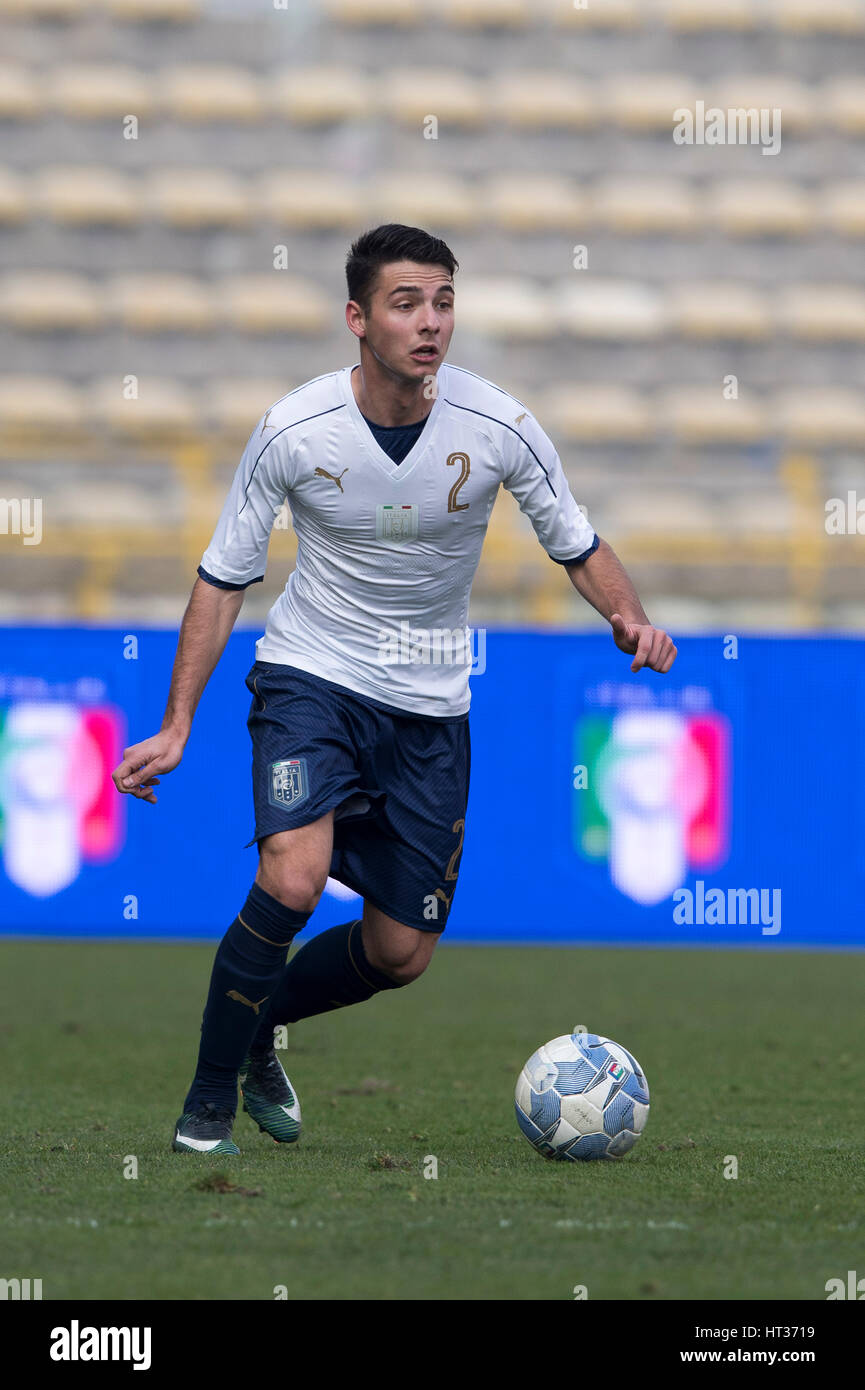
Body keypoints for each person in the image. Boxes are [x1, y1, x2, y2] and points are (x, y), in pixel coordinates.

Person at [111, 224, 677, 1155]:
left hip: (428, 709)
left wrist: (628, 615)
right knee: (290, 876)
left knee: (397, 954)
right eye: (406, 303)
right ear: (357, 318)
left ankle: (255, 1031)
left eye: (443, 301)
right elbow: (222, 579)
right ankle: (206, 1106)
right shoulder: (293, 430)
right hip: (312, 678)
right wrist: (177, 725)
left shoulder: (498, 426)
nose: (429, 323)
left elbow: (575, 540)